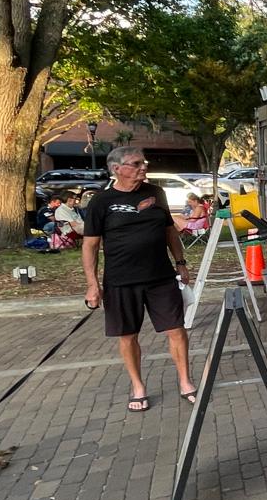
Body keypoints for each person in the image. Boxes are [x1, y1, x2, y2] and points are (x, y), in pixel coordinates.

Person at [82, 147, 197, 411]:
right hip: (121, 281)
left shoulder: (156, 194)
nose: (142, 167)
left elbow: (170, 231)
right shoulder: (101, 201)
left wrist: (180, 263)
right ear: (116, 169)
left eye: (143, 163)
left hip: (161, 277)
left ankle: (185, 381)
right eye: (135, 164)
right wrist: (92, 285)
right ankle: (138, 386)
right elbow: (89, 246)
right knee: (128, 337)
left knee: (176, 330)